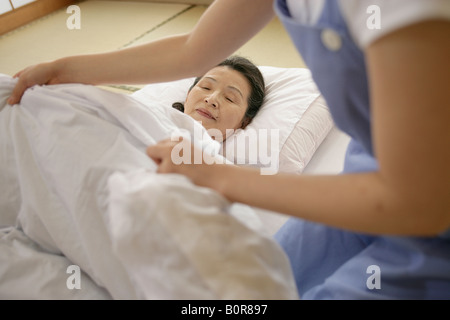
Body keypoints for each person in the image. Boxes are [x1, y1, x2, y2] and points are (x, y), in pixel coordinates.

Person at [7, 0, 450, 299]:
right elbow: (191, 49)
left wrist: (217, 175)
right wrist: (67, 69)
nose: (213, 100)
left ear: (247, 121)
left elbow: (418, 201)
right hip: (368, 183)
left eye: (231, 98)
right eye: (207, 88)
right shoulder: (157, 114)